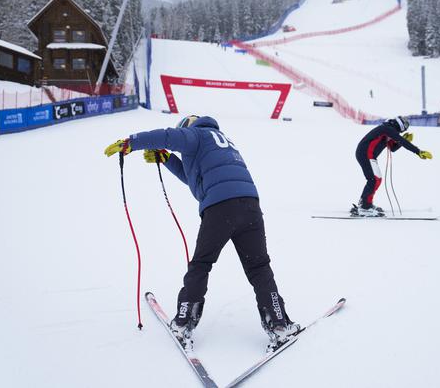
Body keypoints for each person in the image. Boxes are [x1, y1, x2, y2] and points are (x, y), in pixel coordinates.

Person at [104, 115, 299, 353]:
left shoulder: (196, 134)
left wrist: (132, 142)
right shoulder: (222, 141)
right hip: (250, 206)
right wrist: (167, 159)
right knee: (259, 267)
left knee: (201, 265)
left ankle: (183, 323)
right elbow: (195, 179)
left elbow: (166, 136)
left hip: (221, 209)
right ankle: (279, 324)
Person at [352, 116, 432, 217]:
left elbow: (392, 148)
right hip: (365, 154)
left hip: (366, 154)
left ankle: (365, 203)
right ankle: (365, 206)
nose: (400, 133)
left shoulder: (387, 130)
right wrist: (418, 151)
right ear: (399, 126)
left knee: (375, 179)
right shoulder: (387, 129)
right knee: (374, 179)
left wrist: (401, 143)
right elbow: (401, 140)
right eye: (402, 130)